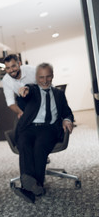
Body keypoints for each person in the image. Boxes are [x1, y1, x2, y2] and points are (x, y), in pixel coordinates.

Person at [13, 63, 74, 203]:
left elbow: (67, 112)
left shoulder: (59, 94)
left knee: (40, 145)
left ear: (52, 76)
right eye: (41, 77)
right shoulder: (32, 90)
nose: (45, 81)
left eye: (48, 77)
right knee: (24, 143)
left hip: (49, 128)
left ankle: (31, 187)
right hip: (29, 127)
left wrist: (66, 120)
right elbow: (24, 96)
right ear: (36, 77)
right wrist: (23, 92)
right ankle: (35, 187)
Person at [2, 54, 36, 118]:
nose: (11, 70)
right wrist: (20, 112)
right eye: (8, 68)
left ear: (19, 63)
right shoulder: (6, 80)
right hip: (25, 104)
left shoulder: (32, 70)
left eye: (13, 66)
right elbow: (10, 101)